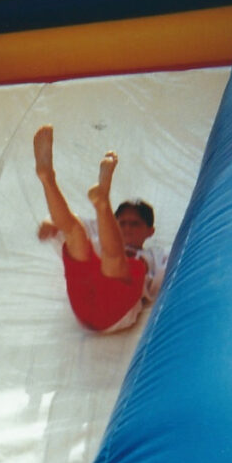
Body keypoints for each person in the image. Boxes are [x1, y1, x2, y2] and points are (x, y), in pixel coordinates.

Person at [34, 125, 168, 333]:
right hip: (84, 295)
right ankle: (47, 178)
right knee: (76, 234)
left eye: (135, 224)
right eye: (121, 223)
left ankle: (102, 201)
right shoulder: (97, 229)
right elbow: (67, 224)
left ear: (150, 231)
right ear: (114, 223)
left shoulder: (156, 254)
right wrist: (50, 224)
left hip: (114, 310)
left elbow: (170, 278)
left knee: (115, 260)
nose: (127, 229)